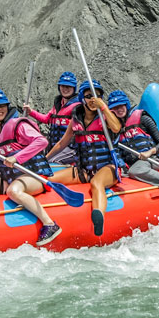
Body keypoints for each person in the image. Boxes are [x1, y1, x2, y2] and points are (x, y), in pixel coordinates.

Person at [0, 87, 62, 246]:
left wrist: (16, 157)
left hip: (34, 175)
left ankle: (50, 224)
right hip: (10, 177)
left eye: (2, 105)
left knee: (13, 191)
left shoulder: (18, 125)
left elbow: (42, 141)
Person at [46, 80, 122, 237]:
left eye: (97, 96)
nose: (93, 100)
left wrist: (103, 106)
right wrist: (44, 159)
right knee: (50, 178)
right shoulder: (76, 119)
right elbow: (62, 143)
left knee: (96, 183)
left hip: (106, 167)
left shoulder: (105, 117)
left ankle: (98, 218)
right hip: (83, 169)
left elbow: (116, 127)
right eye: (89, 96)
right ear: (82, 98)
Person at [107, 90, 159, 193]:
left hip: (152, 158)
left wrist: (149, 152)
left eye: (121, 106)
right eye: (115, 108)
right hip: (131, 164)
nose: (119, 110)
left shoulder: (143, 119)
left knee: (135, 171)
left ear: (126, 104)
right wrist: (122, 166)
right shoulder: (114, 129)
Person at [22, 71, 80, 164]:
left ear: (74, 88)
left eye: (68, 87)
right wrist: (31, 112)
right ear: (59, 87)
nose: (65, 89)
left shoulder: (77, 107)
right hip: (53, 146)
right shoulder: (58, 104)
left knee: (50, 162)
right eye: (63, 86)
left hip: (68, 148)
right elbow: (46, 119)